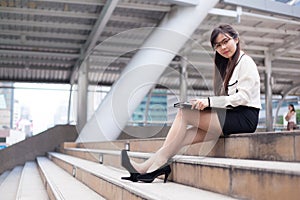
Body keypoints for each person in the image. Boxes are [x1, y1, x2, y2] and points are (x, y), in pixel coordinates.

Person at [121, 24, 261, 183]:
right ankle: (143, 168)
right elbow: (227, 100)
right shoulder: (228, 65)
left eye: (225, 41)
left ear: (236, 39)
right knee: (183, 137)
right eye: (218, 45)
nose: (223, 47)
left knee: (184, 113)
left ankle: (158, 165)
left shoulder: (246, 62)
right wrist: (209, 104)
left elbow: (243, 97)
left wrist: (209, 102)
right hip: (231, 116)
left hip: (244, 117)